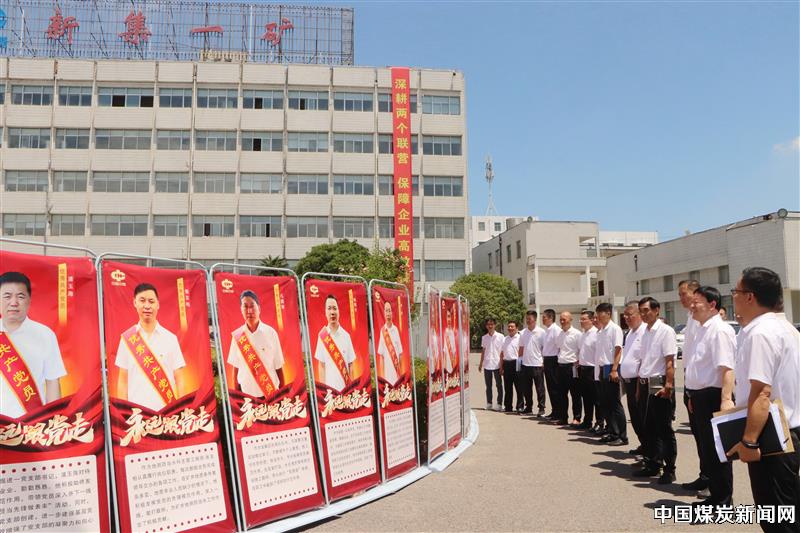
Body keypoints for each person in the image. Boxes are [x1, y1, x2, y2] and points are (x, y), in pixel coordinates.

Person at [727, 268, 800, 532]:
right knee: (788, 511)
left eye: (736, 292)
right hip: (789, 432)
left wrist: (749, 441)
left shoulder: (760, 333)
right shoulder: (786, 328)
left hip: (772, 438)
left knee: (776, 518)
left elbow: (761, 393)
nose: (733, 297)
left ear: (750, 296)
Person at [685, 285, 735, 507]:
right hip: (699, 396)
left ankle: (723, 500)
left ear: (712, 304)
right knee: (708, 449)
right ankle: (715, 495)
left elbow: (727, 369)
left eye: (696, 302)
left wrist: (726, 400)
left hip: (713, 396)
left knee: (718, 450)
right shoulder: (701, 329)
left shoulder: (720, 330)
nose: (692, 306)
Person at [0, 271, 66, 418]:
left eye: (20, 296)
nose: (13, 302)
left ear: (29, 300)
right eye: (7, 296)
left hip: (31, 424)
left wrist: (53, 421)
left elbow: (53, 382)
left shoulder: (45, 335)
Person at [115, 283, 188, 411]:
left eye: (151, 301)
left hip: (166, 414)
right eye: (142, 300)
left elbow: (180, 379)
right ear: (135, 303)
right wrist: (125, 413)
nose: (147, 306)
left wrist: (181, 410)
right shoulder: (127, 339)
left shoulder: (170, 339)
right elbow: (122, 381)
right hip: (136, 415)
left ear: (158, 305)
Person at [633, 297, 678, 484]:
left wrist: (669, 385)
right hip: (645, 383)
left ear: (657, 310)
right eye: (641, 311)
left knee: (664, 429)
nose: (643, 314)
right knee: (649, 427)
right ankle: (653, 463)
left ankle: (669, 468)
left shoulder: (665, 331)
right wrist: (639, 387)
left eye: (646, 310)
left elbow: (670, 361)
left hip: (659, 383)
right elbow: (643, 361)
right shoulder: (645, 332)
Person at [678, 279, 709, 495]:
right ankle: (704, 475)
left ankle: (713, 483)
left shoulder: (703, 320)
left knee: (707, 438)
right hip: (691, 381)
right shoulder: (691, 318)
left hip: (704, 386)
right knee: (699, 435)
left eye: (684, 294)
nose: (681, 298)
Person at [227, 290, 285, 398]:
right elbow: (235, 368)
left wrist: (282, 395)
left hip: (270, 394)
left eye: (252, 306)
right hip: (246, 397)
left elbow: (278, 366)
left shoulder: (271, 333)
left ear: (259, 308)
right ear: (241, 310)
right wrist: (237, 396)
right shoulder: (238, 336)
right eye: (245, 307)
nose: (249, 311)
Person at [595, 303, 627, 445]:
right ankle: (612, 432)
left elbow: (618, 350)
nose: (598, 316)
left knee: (614, 403)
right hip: (603, 368)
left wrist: (614, 369)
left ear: (608, 313)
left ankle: (622, 435)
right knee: (605, 403)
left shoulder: (615, 329)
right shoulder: (601, 331)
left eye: (600, 313)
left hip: (611, 368)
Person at [619, 302, 647, 455]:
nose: (627, 318)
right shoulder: (629, 333)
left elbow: (643, 359)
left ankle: (650, 450)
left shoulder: (644, 331)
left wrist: (638, 387)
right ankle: (644, 444)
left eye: (630, 315)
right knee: (635, 417)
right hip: (629, 381)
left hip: (639, 382)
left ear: (639, 314)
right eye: (625, 315)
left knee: (643, 417)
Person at [314, 294, 357, 391]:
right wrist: (324, 391)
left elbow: (351, 365)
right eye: (329, 308)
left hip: (345, 392)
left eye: (334, 308)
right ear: (325, 312)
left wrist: (351, 390)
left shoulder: (346, 336)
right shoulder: (322, 336)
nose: (332, 312)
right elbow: (321, 366)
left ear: (338, 311)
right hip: (329, 393)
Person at [554, 312, 582, 425]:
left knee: (575, 394)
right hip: (561, 365)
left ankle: (577, 418)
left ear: (570, 319)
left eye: (564, 319)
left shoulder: (577, 334)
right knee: (561, 394)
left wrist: (578, 362)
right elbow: (559, 349)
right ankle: (563, 417)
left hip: (572, 367)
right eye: (560, 319)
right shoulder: (560, 334)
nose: (562, 321)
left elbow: (581, 350)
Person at [518, 310, 546, 416]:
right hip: (526, 364)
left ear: (535, 319)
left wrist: (543, 362)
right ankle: (528, 407)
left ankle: (541, 408)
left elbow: (544, 348)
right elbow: (521, 348)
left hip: (537, 364)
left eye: (530, 319)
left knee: (540, 388)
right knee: (526, 388)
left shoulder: (541, 332)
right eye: (527, 319)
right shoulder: (523, 332)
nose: (528, 321)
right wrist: (519, 362)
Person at [576, 310, 598, 430]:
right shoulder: (582, 334)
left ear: (592, 320)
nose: (581, 321)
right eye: (581, 319)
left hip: (593, 369)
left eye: (584, 319)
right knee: (586, 397)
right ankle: (587, 420)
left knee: (596, 398)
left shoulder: (596, 334)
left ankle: (599, 422)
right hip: (583, 369)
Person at [479, 317, 504, 411]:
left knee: (499, 385)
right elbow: (483, 351)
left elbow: (502, 351)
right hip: (487, 364)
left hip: (497, 364)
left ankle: (499, 404)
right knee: (488, 386)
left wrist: (502, 365)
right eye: (488, 324)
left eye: (492, 324)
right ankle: (489, 403)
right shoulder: (484, 337)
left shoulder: (500, 337)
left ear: (495, 325)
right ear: (486, 326)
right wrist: (481, 363)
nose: (490, 326)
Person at [377, 300, 404, 385]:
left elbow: (400, 354)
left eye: (389, 310)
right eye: (386, 310)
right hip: (387, 376)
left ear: (392, 312)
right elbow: (381, 356)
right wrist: (382, 377)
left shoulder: (396, 330)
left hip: (397, 375)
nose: (388, 313)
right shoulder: (382, 331)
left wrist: (400, 375)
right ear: (384, 313)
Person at [541, 309, 560, 419]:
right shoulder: (547, 331)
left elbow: (559, 347)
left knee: (555, 387)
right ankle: (554, 410)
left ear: (551, 318)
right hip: (547, 360)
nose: (543, 319)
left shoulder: (556, 330)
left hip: (554, 360)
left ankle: (558, 412)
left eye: (544, 317)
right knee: (550, 387)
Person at [499, 320, 521, 413]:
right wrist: (501, 367)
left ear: (517, 328)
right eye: (509, 326)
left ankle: (520, 406)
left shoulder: (520, 338)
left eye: (512, 326)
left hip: (517, 363)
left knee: (519, 387)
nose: (510, 328)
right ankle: (508, 406)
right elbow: (502, 354)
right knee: (508, 387)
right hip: (507, 363)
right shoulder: (505, 339)